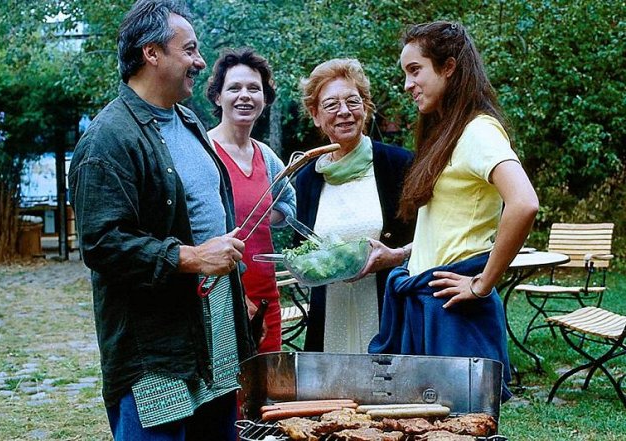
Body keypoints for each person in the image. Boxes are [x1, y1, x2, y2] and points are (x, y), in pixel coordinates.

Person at [68, 1, 254, 439]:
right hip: (155, 348)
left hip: (216, 334)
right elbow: (102, 244)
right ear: (152, 53)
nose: (200, 61)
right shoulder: (108, 139)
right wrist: (189, 258)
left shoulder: (188, 121)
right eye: (189, 50)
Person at [367, 21, 539, 402]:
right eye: (405, 74)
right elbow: (450, 225)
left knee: (460, 426)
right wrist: (399, 256)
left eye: (416, 71)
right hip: (427, 305)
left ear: (448, 67)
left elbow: (524, 203)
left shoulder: (479, 131)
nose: (408, 84)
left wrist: (483, 282)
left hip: (454, 313)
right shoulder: (448, 133)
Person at [296, 58, 415, 353]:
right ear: (315, 115)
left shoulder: (399, 165)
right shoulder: (307, 178)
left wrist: (398, 256)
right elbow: (303, 247)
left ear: (365, 107)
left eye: (353, 101)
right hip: (329, 318)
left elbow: (432, 236)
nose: (345, 112)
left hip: (390, 313)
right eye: (332, 105)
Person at [205, 48, 296, 353]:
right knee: (230, 395)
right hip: (219, 296)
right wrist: (234, 296)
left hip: (266, 295)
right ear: (218, 97)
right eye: (234, 88)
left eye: (254, 89)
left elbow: (288, 205)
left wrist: (261, 218)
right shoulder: (204, 152)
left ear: (265, 99)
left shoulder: (267, 157)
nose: (245, 96)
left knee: (266, 390)